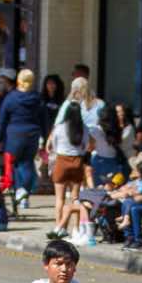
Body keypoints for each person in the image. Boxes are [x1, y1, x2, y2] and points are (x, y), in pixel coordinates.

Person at [46, 75, 97, 237]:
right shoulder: (84, 128)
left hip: (62, 161)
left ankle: (59, 227)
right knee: (75, 197)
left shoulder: (60, 127)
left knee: (59, 199)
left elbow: (54, 144)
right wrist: (82, 151)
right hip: (77, 162)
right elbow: (90, 145)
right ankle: (76, 228)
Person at [0, 67, 45, 209]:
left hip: (14, 134)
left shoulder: (11, 98)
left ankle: (19, 190)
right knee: (27, 163)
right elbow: (44, 118)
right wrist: (46, 136)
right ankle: (24, 194)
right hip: (33, 133)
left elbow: (2, 119)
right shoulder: (37, 98)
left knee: (14, 163)